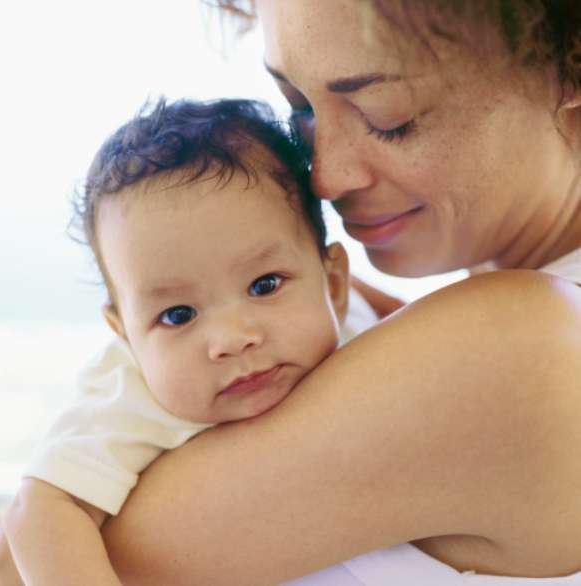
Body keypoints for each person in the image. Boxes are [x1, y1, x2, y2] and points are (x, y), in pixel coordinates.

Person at [84, 1, 580, 585]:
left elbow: (32, 563)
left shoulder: (522, 348)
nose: (323, 176)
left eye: (386, 115)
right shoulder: (385, 325)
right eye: (302, 111)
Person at [0, 97, 380, 585]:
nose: (233, 340)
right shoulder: (131, 396)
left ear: (334, 285)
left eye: (265, 285)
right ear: (127, 337)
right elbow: (39, 511)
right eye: (178, 315)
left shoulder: (355, 322)